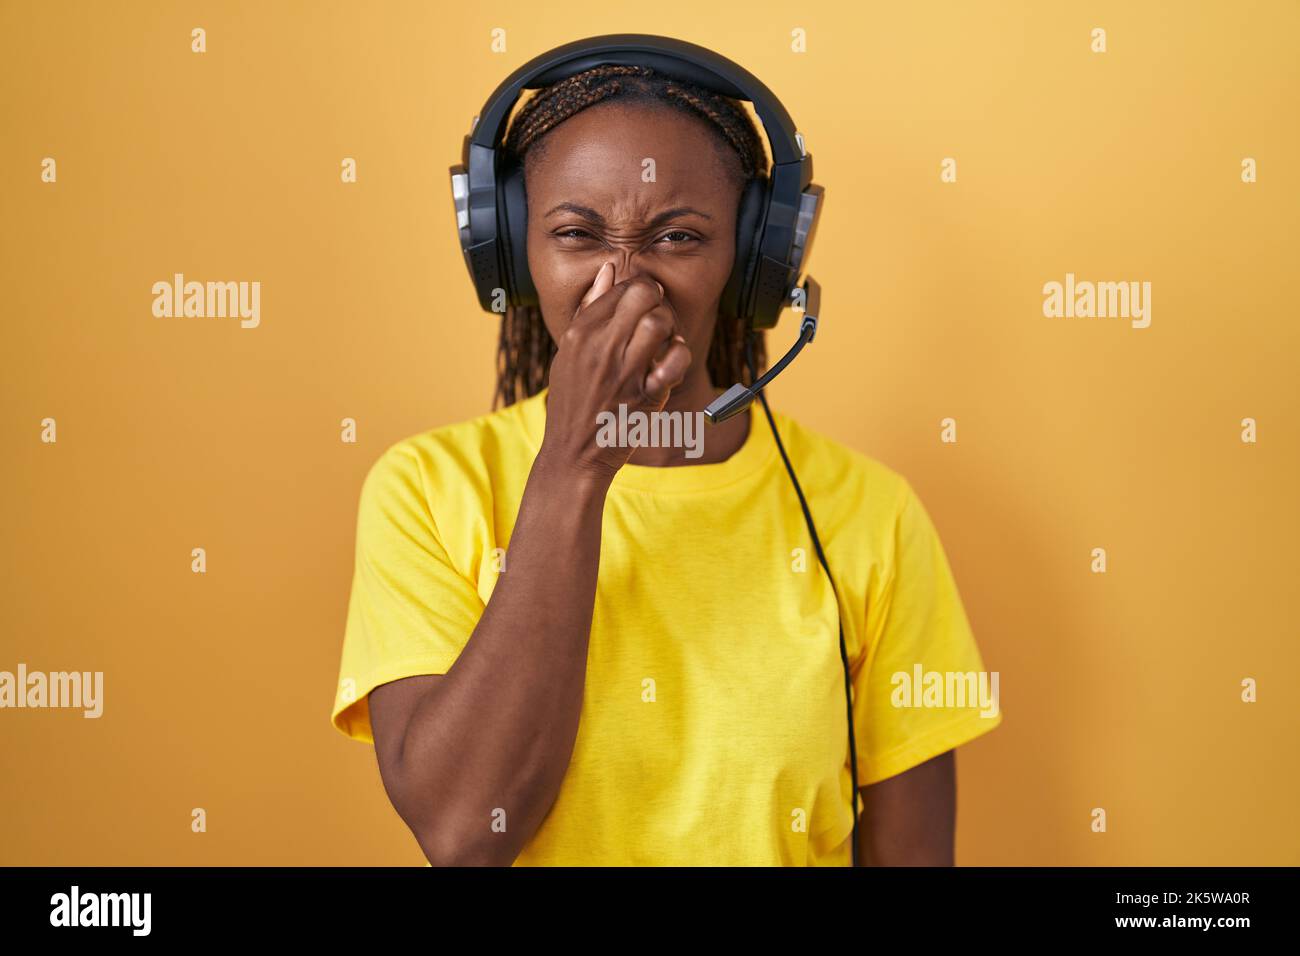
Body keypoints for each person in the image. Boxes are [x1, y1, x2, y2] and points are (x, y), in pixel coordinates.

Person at [330, 63, 1001, 866]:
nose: (624, 280)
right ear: (511, 251)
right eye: (577, 234)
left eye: (678, 236)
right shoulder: (426, 491)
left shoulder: (873, 516)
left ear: (757, 261)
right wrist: (575, 465)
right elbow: (464, 833)